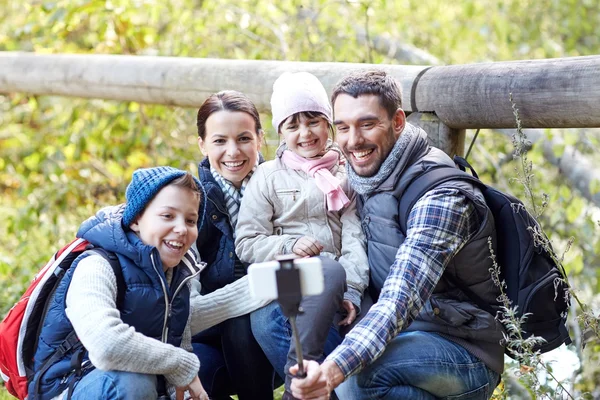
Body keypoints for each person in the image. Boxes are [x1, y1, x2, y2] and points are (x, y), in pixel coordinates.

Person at [289, 70, 504, 400]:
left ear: (398, 122)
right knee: (279, 324)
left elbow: (398, 302)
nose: (353, 140)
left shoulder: (441, 198)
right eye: (343, 127)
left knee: (355, 379)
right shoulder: (362, 176)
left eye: (367, 124)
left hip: (464, 349)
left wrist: (332, 371)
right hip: (405, 335)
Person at [235, 72, 369, 398]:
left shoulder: (347, 173)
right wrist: (289, 245)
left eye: (313, 122)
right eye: (293, 126)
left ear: (329, 124)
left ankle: (301, 389)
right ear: (281, 132)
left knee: (333, 273)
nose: (305, 133)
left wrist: (351, 290)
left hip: (335, 284)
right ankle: (305, 384)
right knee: (267, 322)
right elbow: (247, 241)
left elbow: (355, 238)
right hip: (287, 277)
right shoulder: (267, 177)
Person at [29, 166, 210, 400]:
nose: (181, 229)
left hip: (138, 387)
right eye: (167, 216)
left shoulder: (177, 277)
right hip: (71, 387)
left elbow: (178, 358)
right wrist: (181, 365)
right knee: (132, 382)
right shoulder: (97, 266)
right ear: (136, 219)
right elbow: (106, 346)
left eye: (191, 220)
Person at [193, 90, 277, 400]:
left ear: (259, 138)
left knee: (242, 324)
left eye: (243, 138)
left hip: (274, 322)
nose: (233, 152)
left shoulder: (284, 187)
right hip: (209, 330)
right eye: (219, 141)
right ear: (202, 144)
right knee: (198, 372)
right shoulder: (192, 201)